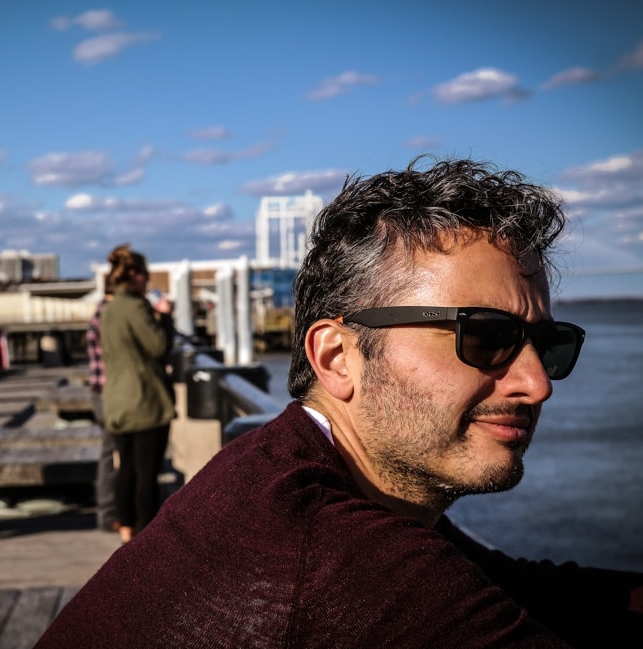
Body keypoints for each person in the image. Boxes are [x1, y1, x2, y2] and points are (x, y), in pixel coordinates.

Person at [36, 158, 643, 648]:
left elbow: (510, 586)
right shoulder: (340, 561)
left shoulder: (284, 471)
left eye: (548, 343)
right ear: (336, 356)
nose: (537, 383)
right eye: (484, 337)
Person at [99, 244, 176, 544]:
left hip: (117, 400)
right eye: (145, 275)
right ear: (133, 275)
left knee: (127, 468)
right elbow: (157, 347)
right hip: (144, 401)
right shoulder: (136, 306)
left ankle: (127, 533)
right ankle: (147, 539)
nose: (148, 281)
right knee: (147, 474)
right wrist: (165, 318)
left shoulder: (109, 309)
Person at [86, 281, 118, 532]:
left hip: (99, 389)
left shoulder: (100, 311)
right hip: (108, 392)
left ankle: (109, 511)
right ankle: (108, 514)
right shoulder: (109, 314)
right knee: (110, 453)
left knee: (109, 451)